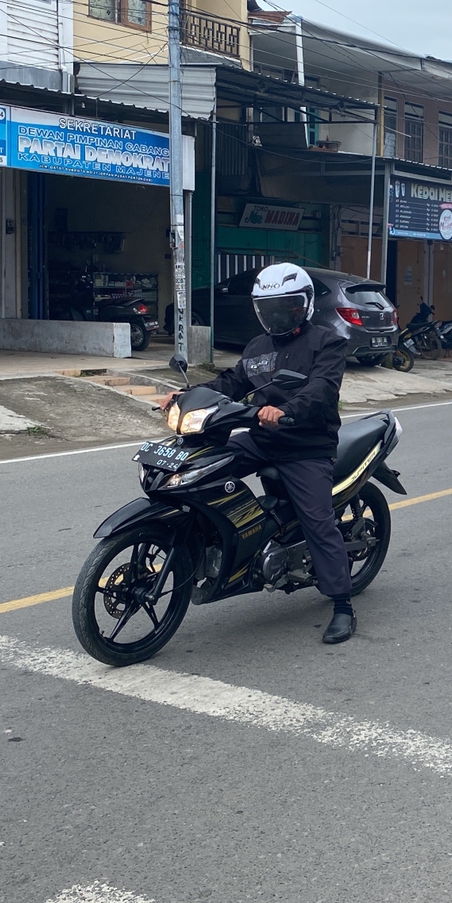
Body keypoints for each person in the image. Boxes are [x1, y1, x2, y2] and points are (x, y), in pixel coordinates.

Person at [156, 263, 357, 645]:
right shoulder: (258, 346)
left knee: (317, 520)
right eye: (271, 309)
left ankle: (342, 604)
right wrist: (185, 396)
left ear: (307, 305)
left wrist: (287, 411)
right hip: (260, 437)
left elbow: (322, 390)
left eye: (288, 307)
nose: (279, 316)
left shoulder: (327, 341)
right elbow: (231, 382)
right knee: (200, 468)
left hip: (306, 445)